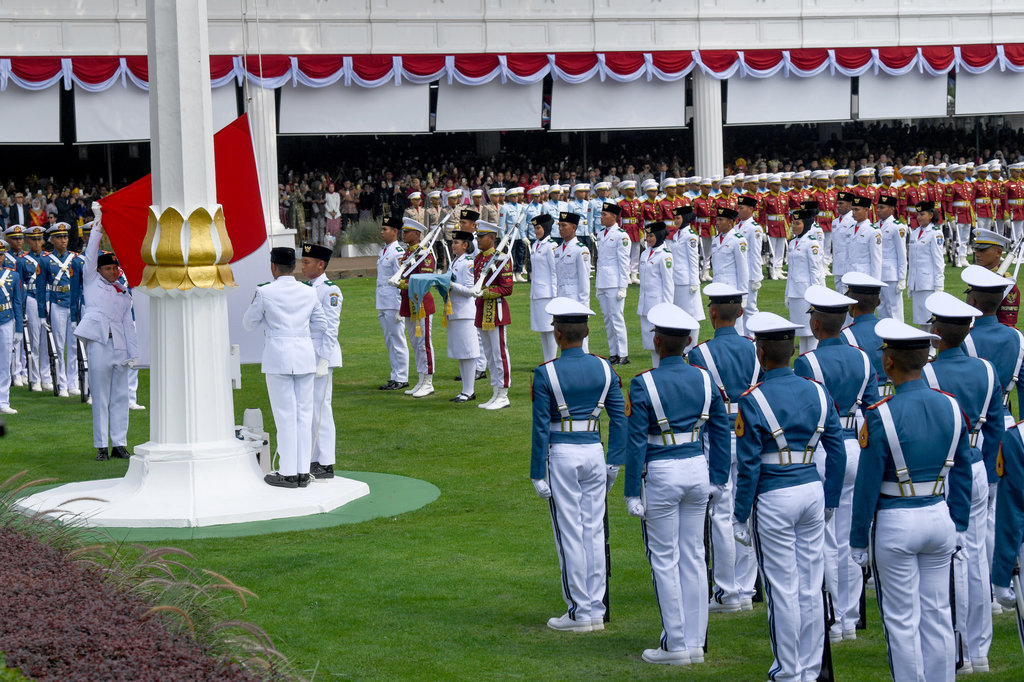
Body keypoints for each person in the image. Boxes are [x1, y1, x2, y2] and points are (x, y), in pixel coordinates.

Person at [850, 317, 973, 682]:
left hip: (897, 521)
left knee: (902, 620)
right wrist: (960, 522)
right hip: (939, 515)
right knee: (938, 613)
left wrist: (859, 538)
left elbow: (867, 483)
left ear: (888, 362)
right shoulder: (950, 405)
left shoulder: (880, 414)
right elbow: (963, 471)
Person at [733, 311, 847, 682]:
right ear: (793, 349)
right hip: (812, 491)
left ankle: (788, 670)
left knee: (782, 588)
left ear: (760, 354)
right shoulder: (817, 390)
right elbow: (837, 450)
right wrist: (830, 500)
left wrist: (739, 515)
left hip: (774, 495)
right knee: (811, 586)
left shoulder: (752, 399)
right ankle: (810, 669)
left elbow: (748, 465)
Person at [624, 302, 730, 665]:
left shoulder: (644, 383)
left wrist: (629, 492)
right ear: (687, 341)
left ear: (656, 341)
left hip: (663, 471)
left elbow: (636, 440)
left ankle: (676, 644)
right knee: (695, 557)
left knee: (666, 559)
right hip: (697, 469)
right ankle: (695, 642)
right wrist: (719, 477)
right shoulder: (704, 378)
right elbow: (721, 430)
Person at [529, 297, 626, 632]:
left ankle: (579, 611)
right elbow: (620, 419)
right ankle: (595, 608)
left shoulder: (546, 373)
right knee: (594, 532)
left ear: (557, 335)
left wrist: (536, 472)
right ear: (586, 332)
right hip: (595, 452)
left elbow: (541, 426)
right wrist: (614, 461)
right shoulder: (604, 368)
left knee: (570, 533)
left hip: (562, 454)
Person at [921, 292, 1005, 673]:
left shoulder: (929, 372)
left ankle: (958, 649)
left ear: (937, 333)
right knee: (974, 559)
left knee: (950, 563)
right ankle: (978, 651)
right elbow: (997, 428)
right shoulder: (986, 370)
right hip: (975, 468)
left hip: (946, 471)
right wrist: (982, 468)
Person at [794, 285, 878, 644]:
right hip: (855, 446)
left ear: (815, 324)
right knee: (848, 536)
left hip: (824, 451)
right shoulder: (861, 357)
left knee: (824, 539)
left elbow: (800, 412)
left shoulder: (807, 361)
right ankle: (849, 616)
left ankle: (832, 616)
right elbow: (872, 410)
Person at [688, 282, 760, 612]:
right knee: (746, 511)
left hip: (715, 436)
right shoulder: (754, 348)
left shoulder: (700, 353)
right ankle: (745, 588)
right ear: (741, 313)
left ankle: (728, 591)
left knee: (721, 513)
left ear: (712, 314)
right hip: (751, 435)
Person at [243, 247, 329, 489]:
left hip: (278, 356)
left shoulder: (265, 291)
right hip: (304, 356)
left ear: (273, 266)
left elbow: (249, 323)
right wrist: (298, 334)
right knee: (303, 415)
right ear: (293, 266)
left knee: (285, 416)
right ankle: (302, 471)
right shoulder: (308, 291)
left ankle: (289, 472)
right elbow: (321, 324)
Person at [72, 215, 137, 461]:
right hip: (99, 343)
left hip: (119, 345)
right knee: (100, 396)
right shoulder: (91, 282)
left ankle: (120, 443)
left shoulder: (122, 291)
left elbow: (128, 324)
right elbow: (90, 256)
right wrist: (99, 226)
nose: (112, 271)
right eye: (107, 268)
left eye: (114, 268)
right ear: (98, 270)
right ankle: (101, 445)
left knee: (121, 396)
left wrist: (133, 352)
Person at [300, 243, 343, 480]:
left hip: (321, 354)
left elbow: (331, 327)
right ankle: (313, 458)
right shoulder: (306, 287)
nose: (302, 266)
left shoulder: (330, 290)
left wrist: (324, 359)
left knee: (321, 408)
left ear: (320, 265)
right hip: (308, 351)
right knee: (311, 408)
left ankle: (325, 462)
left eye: (307, 262)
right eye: (302, 261)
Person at [392, 218, 437, 398]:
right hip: (408, 302)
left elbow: (426, 280)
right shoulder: (408, 253)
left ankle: (428, 381)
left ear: (417, 234)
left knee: (423, 343)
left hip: (421, 303)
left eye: (407, 232)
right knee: (415, 343)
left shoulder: (424, 254)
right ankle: (421, 378)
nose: (404, 234)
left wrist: (403, 283)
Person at [37, 222, 83, 397]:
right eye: (59, 238)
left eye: (65, 237)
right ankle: (61, 383)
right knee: (58, 345)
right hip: (56, 303)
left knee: (73, 344)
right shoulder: (45, 261)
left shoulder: (76, 258)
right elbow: (41, 290)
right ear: (53, 240)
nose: (63, 241)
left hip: (72, 303)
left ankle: (73, 383)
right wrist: (42, 314)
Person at [472, 220, 513, 410]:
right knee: (488, 353)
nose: (478, 240)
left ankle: (503, 393)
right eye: (477, 236)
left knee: (499, 353)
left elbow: (507, 288)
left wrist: (486, 292)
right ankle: (495, 391)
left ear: (491, 238)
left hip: (495, 309)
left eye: (481, 237)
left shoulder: (502, 258)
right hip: (482, 309)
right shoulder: (479, 258)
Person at [840, 272, 888, 396]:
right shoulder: (890, 330)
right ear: (878, 302)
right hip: (890, 399)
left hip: (862, 403)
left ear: (851, 303)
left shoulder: (844, 336)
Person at [445, 230, 480, 403]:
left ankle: (469, 390)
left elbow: (471, 290)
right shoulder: (455, 262)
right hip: (455, 311)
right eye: (453, 242)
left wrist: (451, 285)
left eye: (456, 242)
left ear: (466, 245)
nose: (453, 245)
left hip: (465, 312)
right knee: (461, 352)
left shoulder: (468, 263)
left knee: (468, 351)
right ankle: (465, 389)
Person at [594, 202, 630, 365]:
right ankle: (613, 352)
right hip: (603, 281)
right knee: (607, 319)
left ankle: (623, 353)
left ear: (614, 217)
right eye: (601, 214)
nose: (601, 217)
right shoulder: (601, 234)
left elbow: (624, 262)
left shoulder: (621, 235)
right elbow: (600, 260)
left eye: (604, 215)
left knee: (616, 318)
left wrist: (623, 286)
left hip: (615, 282)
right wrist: (597, 284)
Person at [785, 208, 825, 353]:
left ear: (806, 224)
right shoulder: (792, 243)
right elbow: (791, 272)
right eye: (793, 223)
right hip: (795, 292)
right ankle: (803, 356)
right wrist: (787, 293)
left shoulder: (812, 243)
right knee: (801, 331)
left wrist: (816, 295)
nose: (794, 227)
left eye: (797, 223)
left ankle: (812, 357)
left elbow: (815, 271)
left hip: (806, 293)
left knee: (811, 331)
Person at [375, 215, 409, 390]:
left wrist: (400, 306)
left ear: (395, 232)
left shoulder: (398, 253)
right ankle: (395, 375)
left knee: (397, 339)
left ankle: (402, 377)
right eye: (382, 229)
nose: (382, 232)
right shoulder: (384, 251)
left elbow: (401, 280)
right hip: (382, 301)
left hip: (393, 302)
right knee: (389, 340)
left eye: (385, 229)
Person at [637, 222, 674, 368]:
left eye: (651, 235)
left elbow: (668, 284)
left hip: (658, 304)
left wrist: (667, 308)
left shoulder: (665, 256)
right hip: (645, 303)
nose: (648, 238)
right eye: (647, 235)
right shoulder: (646, 253)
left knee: (660, 342)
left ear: (658, 236)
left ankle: (662, 369)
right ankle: (655, 368)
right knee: (650, 342)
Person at [554, 212, 592, 352]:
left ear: (574, 227)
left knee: (579, 336)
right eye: (559, 225)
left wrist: (584, 307)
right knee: (563, 335)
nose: (561, 228)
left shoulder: (580, 250)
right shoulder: (557, 250)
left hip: (575, 299)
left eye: (564, 225)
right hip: (562, 298)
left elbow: (584, 280)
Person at [710, 207, 749, 336]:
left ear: (730, 222)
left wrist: (743, 296)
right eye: (717, 219)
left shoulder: (738, 240)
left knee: (735, 326)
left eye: (721, 220)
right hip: (717, 289)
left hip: (732, 289)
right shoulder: (716, 240)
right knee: (719, 324)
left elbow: (743, 269)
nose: (717, 222)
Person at [19, 225, 50, 391]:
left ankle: (46, 377)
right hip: (32, 298)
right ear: (28, 242)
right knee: (34, 340)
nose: (38, 243)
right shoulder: (23, 261)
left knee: (47, 341)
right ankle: (34, 377)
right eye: (34, 240)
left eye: (40, 239)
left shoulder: (49, 258)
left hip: (47, 298)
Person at [907, 202, 946, 330]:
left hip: (929, 282)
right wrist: (910, 283)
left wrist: (939, 284)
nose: (919, 217)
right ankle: (925, 347)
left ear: (930, 215)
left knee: (930, 319)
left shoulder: (935, 233)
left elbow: (939, 261)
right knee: (921, 319)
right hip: (917, 282)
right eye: (917, 214)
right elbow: (912, 262)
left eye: (922, 214)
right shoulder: (914, 232)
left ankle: (931, 349)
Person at [971, 228, 1020, 326]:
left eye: (982, 250)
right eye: (976, 249)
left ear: (998, 252)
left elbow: (1007, 325)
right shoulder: (976, 276)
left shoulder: (1007, 284)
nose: (977, 254)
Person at [529, 215, 559, 363]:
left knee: (550, 329)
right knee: (542, 329)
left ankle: (551, 360)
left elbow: (554, 271)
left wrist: (555, 295)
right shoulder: (536, 245)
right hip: (537, 292)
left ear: (546, 228)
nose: (536, 231)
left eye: (538, 228)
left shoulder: (551, 246)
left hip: (548, 293)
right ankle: (546, 361)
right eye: (535, 228)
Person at [0, 239, 23, 415]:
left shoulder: (13, 276)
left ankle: (3, 401)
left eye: (1, 255)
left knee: (5, 361)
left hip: (7, 319)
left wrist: (19, 329)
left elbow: (17, 302)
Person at [734, 196, 765, 326]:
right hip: (739, 274)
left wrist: (756, 277)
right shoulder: (737, 226)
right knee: (740, 309)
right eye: (738, 207)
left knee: (750, 309)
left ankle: (753, 338)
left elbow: (755, 254)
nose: (738, 210)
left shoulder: (754, 228)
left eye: (741, 208)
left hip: (750, 274)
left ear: (751, 209)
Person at [876, 195, 907, 320]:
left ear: (891, 209)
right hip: (878, 274)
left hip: (891, 274)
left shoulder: (897, 227)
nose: (878, 210)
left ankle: (899, 338)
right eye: (878, 207)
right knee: (881, 309)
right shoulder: (875, 226)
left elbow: (902, 254)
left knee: (894, 310)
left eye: (882, 207)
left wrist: (902, 278)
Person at [669, 206, 702, 323]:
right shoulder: (676, 234)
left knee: (690, 316)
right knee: (679, 316)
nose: (675, 221)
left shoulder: (690, 236)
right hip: (677, 278)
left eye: (678, 218)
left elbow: (693, 260)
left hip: (687, 281)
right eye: (675, 218)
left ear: (685, 218)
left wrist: (694, 281)